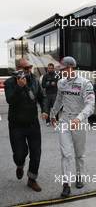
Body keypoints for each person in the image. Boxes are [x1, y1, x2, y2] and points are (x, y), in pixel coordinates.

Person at [50, 56, 95, 197]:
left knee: (79, 154)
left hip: (79, 122)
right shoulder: (61, 83)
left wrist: (79, 118)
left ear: (70, 68)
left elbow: (91, 105)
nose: (61, 72)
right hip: (65, 121)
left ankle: (80, 176)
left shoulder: (85, 83)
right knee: (66, 154)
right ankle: (66, 184)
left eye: (63, 70)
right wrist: (53, 114)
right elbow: (59, 100)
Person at [4, 58, 48, 192]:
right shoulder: (10, 82)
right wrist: (19, 87)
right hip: (16, 124)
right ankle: (20, 164)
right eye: (26, 68)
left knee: (36, 152)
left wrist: (45, 110)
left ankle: (32, 179)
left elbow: (42, 97)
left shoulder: (35, 81)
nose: (29, 70)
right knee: (19, 153)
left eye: (30, 67)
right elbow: (10, 100)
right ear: (18, 68)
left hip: (32, 123)